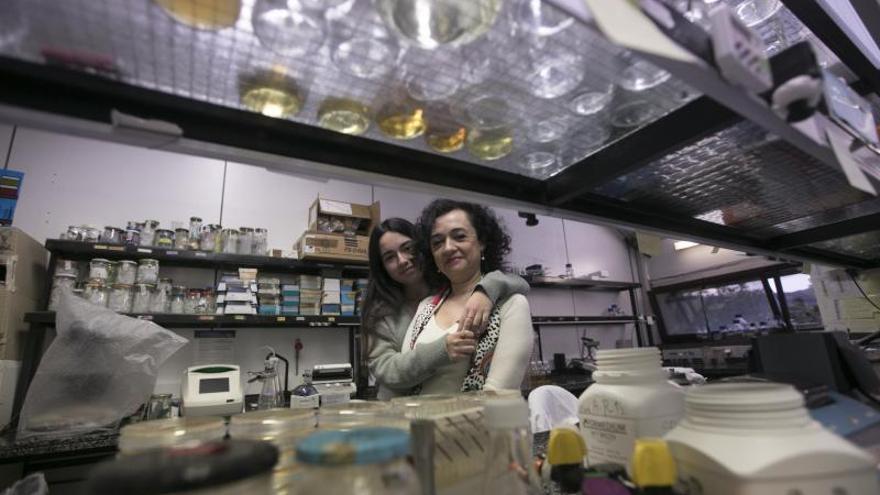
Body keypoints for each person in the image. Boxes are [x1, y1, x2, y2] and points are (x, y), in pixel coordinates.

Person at [363, 217, 529, 400]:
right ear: (383, 268)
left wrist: (485, 290)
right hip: (396, 410)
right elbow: (387, 371)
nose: (402, 260)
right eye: (389, 257)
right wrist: (441, 350)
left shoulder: (447, 290)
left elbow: (519, 283)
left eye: (408, 248)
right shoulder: (381, 313)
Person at [403, 199, 534, 393]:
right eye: (437, 242)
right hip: (416, 422)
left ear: (482, 242)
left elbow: (497, 395)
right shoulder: (426, 307)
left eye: (459, 236)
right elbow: (404, 374)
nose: (448, 247)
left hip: (479, 422)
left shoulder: (512, 305)